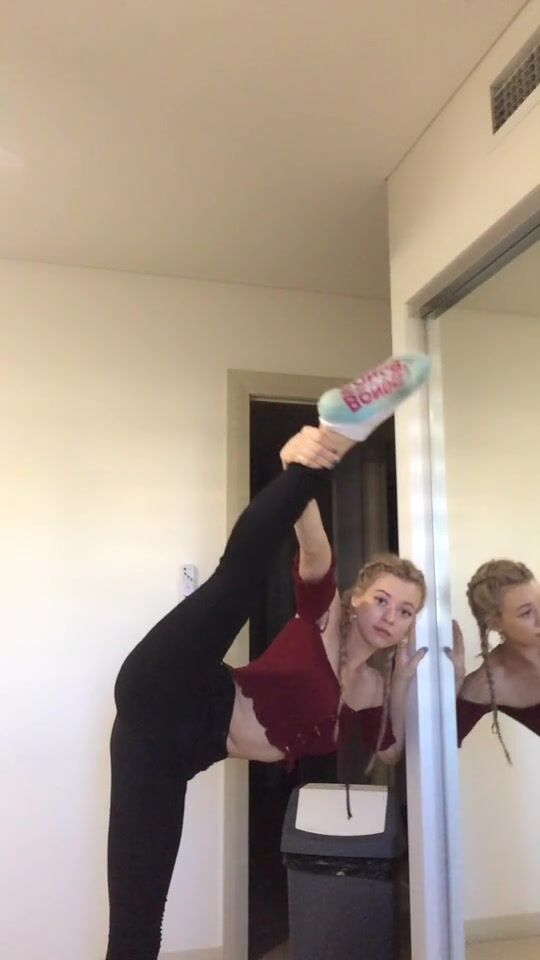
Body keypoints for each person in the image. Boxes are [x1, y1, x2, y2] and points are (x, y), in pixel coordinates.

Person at [106, 353, 430, 960]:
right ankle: (336, 437)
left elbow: (389, 753)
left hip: (172, 753)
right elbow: (313, 545)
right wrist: (297, 465)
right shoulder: (322, 613)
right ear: (357, 598)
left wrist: (401, 684)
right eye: (383, 599)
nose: (391, 615)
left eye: (406, 611)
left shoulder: (369, 691)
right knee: (238, 578)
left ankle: (320, 452)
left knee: (137, 921)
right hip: (178, 684)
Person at [449, 560, 540, 759]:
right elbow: (435, 749)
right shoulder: (488, 683)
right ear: (496, 623)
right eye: (526, 613)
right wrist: (455, 680)